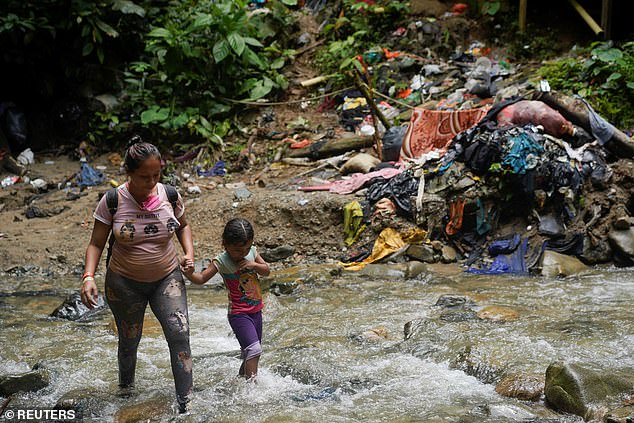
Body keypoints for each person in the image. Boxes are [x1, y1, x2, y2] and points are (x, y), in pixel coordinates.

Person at [80, 138, 194, 413]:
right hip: (124, 282)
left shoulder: (170, 195)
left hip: (167, 278)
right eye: (145, 177)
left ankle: (187, 404)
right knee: (129, 341)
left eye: (157, 175)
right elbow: (96, 243)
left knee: (180, 335)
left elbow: (184, 226)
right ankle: (126, 393)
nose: (152, 182)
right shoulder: (112, 201)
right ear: (129, 173)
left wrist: (189, 253)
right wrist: (89, 276)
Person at [183, 218, 270, 381]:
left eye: (246, 248)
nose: (243, 253)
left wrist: (254, 265)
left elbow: (266, 271)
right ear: (225, 244)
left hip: (256, 312)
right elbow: (201, 278)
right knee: (254, 350)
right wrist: (189, 273)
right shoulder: (221, 261)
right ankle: (252, 390)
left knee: (249, 352)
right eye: (238, 250)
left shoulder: (252, 253)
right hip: (239, 314)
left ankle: (240, 383)